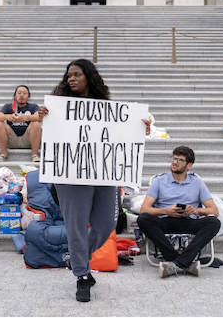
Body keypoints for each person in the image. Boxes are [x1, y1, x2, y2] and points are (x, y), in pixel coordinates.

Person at [37, 59, 150, 302]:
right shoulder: (58, 108)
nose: (71, 79)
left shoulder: (106, 108)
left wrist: (141, 129)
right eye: (69, 75)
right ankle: (82, 275)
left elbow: (125, 134)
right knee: (76, 228)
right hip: (70, 176)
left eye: (77, 74)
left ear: (89, 76)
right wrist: (44, 118)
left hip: (102, 174)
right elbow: (52, 137)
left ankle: (76, 257)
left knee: (106, 225)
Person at [137, 146, 220, 278]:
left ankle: (176, 263)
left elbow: (214, 211)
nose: (175, 162)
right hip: (165, 220)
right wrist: (167, 211)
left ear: (189, 165)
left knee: (214, 222)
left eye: (180, 160)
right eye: (174, 158)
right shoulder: (159, 181)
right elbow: (144, 209)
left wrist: (196, 210)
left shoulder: (197, 182)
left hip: (188, 221)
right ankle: (184, 262)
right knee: (143, 219)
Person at [0, 85, 41, 162]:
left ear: (28, 96)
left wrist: (27, 117)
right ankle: (3, 154)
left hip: (28, 139)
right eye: (19, 93)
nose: (22, 95)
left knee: (36, 123)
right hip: (12, 140)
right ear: (15, 95)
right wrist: (8, 117)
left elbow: (39, 117)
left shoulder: (33, 106)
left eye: (24, 93)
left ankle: (34, 154)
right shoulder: (8, 106)